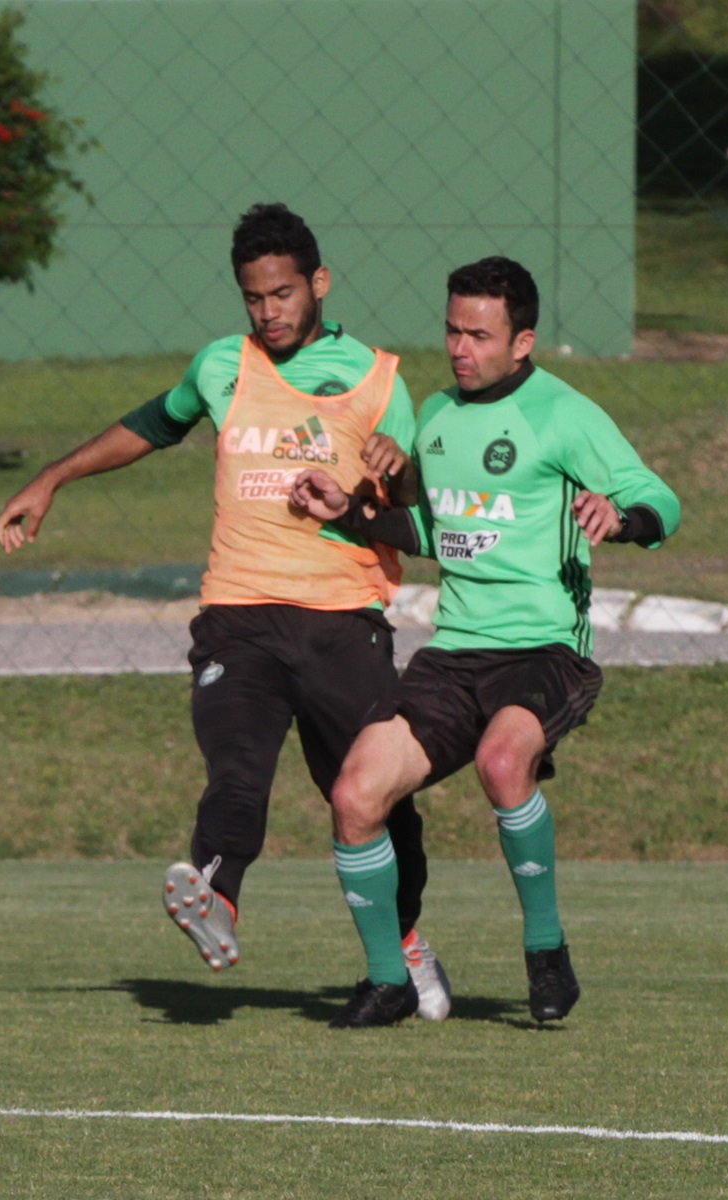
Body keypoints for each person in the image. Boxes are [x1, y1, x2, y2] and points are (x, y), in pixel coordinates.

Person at [0, 203, 451, 1019]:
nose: (267, 312)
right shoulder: (221, 365)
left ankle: (405, 943)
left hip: (343, 619)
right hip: (237, 616)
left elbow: (414, 507)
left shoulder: (380, 377)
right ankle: (215, 895)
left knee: (371, 798)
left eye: (280, 293)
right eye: (252, 297)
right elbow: (150, 425)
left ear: (318, 283)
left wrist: (398, 463)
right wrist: (51, 478)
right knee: (236, 766)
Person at [290, 255, 680, 1028]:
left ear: (523, 341)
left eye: (480, 334)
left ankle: (545, 952)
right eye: (452, 330)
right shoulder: (434, 415)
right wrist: (348, 511)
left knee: (504, 764)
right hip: (453, 653)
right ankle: (385, 980)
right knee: (353, 792)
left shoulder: (563, 415)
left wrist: (621, 519)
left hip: (545, 650)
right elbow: (440, 529)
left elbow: (659, 500)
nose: (460, 348)